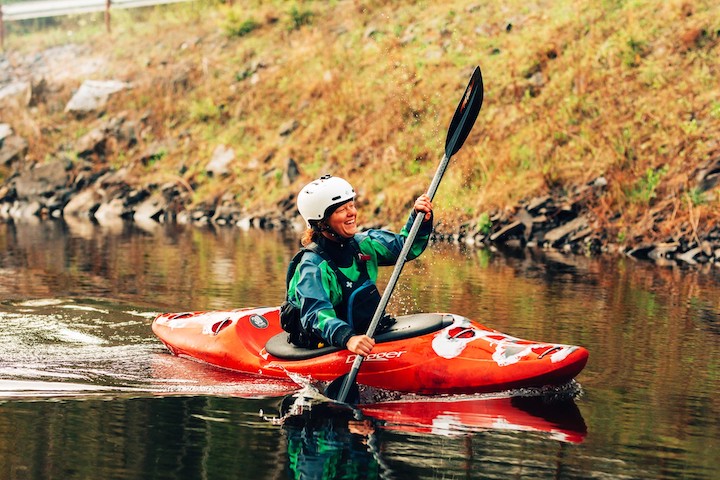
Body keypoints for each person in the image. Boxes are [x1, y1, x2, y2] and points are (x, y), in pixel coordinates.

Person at [282, 174, 433, 356]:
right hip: (326, 342)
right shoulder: (312, 266)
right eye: (341, 210)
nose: (352, 213)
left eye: (352, 205)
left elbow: (405, 247)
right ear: (322, 222)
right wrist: (348, 338)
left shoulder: (364, 244)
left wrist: (418, 219)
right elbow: (316, 315)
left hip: (362, 333)